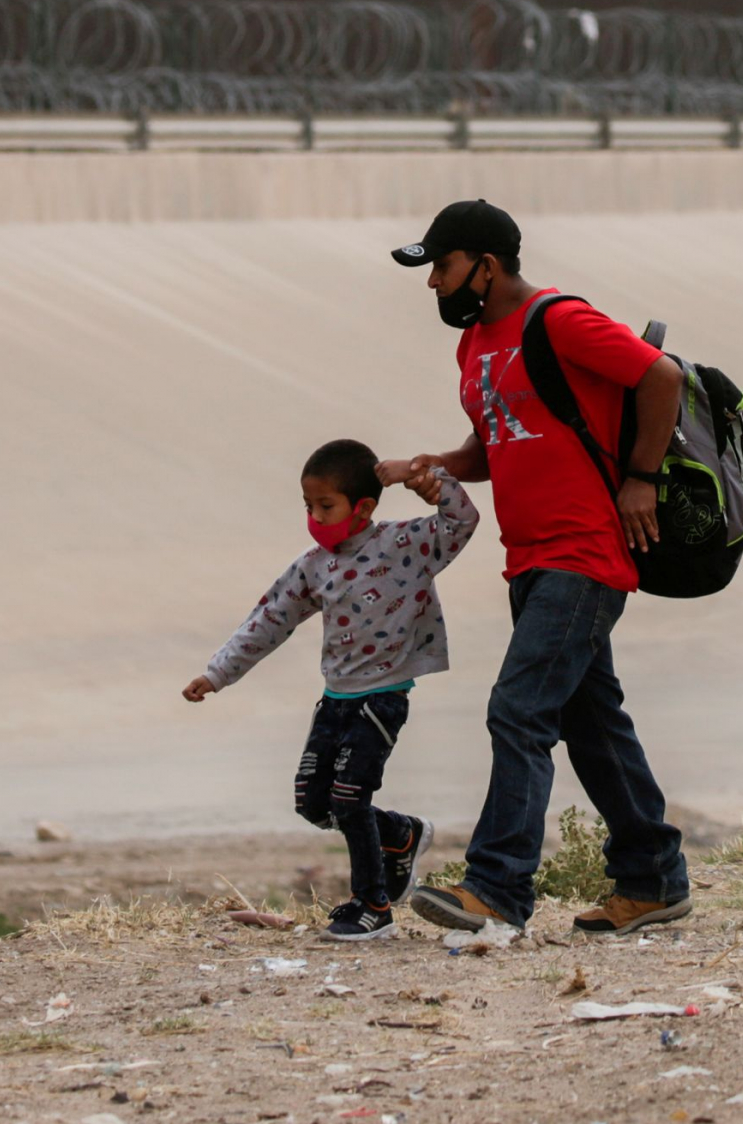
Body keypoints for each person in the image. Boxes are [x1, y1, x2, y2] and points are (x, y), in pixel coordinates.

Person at [377, 198, 693, 939]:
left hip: (584, 552)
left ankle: (497, 891)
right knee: (593, 725)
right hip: (529, 558)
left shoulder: (557, 319)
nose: (434, 285)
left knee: (518, 710)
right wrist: (429, 465)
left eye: (443, 268)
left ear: (486, 264)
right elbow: (497, 445)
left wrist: (640, 476)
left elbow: (661, 379)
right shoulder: (476, 345)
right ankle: (653, 879)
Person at [184, 437, 479, 940]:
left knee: (349, 798)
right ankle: (401, 835)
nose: (315, 517)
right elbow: (268, 620)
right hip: (336, 699)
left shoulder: (406, 546)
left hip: (384, 695)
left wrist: (425, 478)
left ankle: (372, 906)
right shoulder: (312, 566)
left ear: (362, 508)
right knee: (313, 803)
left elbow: (462, 523)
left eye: (326, 506)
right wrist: (217, 674)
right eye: (308, 506)